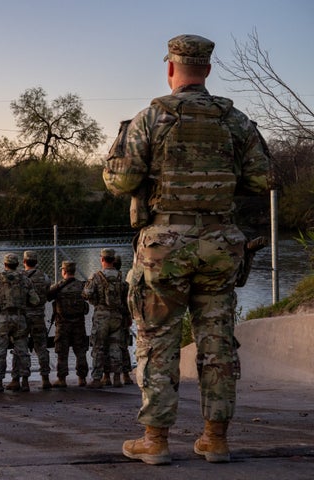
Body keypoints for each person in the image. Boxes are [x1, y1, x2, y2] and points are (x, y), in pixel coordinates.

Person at [103, 34, 272, 464]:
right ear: (208, 71)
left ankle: (155, 441)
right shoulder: (236, 122)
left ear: (171, 69)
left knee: (157, 340)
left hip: (164, 246)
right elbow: (263, 180)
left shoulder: (150, 118)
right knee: (216, 341)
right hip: (219, 245)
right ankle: (215, 438)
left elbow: (120, 181)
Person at [0, 253, 39, 392]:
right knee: (22, 350)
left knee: (0, 351)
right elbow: (35, 300)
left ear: (5, 265)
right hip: (20, 318)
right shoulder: (25, 280)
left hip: (3, 317)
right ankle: (24, 381)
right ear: (18, 264)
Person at [9, 250, 52, 391]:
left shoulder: (18, 277)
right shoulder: (45, 277)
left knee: (20, 347)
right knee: (41, 347)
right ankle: (45, 378)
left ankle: (20, 379)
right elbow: (47, 292)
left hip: (22, 317)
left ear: (24, 262)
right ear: (37, 262)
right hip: (38, 316)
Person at [83, 248, 125, 389]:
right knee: (115, 347)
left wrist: (95, 300)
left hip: (101, 316)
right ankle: (117, 378)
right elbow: (125, 295)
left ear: (102, 259)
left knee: (99, 347)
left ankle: (97, 378)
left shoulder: (97, 276)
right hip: (117, 316)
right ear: (113, 260)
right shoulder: (120, 276)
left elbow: (86, 293)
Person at [46, 260, 90, 388]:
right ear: (74, 271)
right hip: (79, 323)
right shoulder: (82, 286)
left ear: (63, 271)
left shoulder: (58, 287)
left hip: (63, 324)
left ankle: (62, 379)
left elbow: (47, 296)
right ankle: (82, 378)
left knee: (62, 351)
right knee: (81, 350)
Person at [111, 255, 134, 386]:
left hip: (106, 317)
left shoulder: (100, 278)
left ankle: (108, 376)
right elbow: (128, 301)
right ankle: (125, 375)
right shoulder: (124, 282)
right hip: (123, 316)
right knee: (123, 346)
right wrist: (128, 316)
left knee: (107, 345)